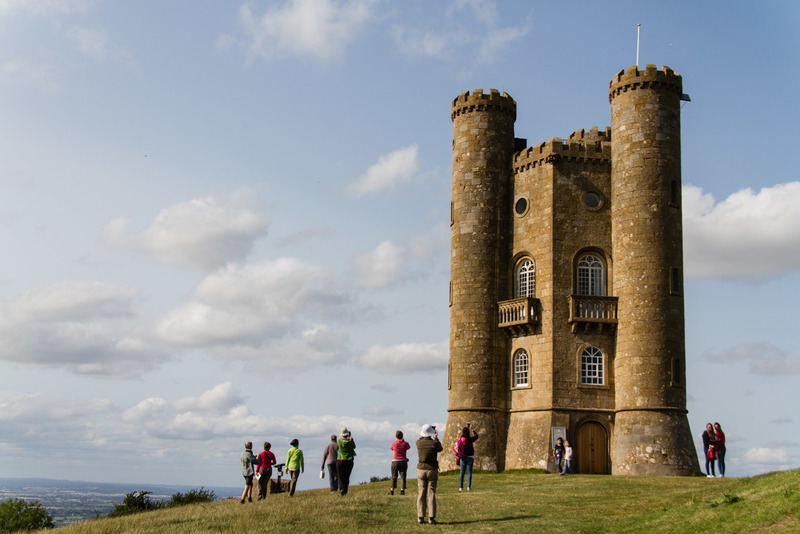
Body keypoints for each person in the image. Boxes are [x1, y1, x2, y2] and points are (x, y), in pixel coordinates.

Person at [416, 424, 443, 525]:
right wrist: (436, 438)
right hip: (432, 469)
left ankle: (420, 517)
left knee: (421, 493)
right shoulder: (434, 443)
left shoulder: (418, 443)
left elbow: (420, 438)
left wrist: (426, 431)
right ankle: (431, 517)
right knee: (431, 493)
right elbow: (440, 449)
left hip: (421, 469)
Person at [456, 423, 479, 491]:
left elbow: (462, 437)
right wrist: (472, 430)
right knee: (469, 472)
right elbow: (476, 436)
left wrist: (466, 429)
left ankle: (461, 487)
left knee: (462, 472)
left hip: (462, 457)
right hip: (470, 457)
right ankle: (468, 487)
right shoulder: (470, 439)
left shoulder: (461, 439)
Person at [389, 430, 411, 495]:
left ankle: (392, 490)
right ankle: (402, 490)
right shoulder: (405, 443)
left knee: (394, 476)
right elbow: (408, 447)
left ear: (396, 436)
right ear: (402, 436)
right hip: (403, 461)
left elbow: (391, 448)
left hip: (395, 461)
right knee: (403, 476)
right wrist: (403, 441)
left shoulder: (394, 443)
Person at [336, 427, 357, 495]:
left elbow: (338, 447)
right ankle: (345, 490)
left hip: (340, 460)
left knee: (340, 476)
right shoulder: (350, 441)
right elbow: (354, 446)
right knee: (347, 477)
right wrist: (351, 438)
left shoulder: (339, 441)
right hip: (349, 461)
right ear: (347, 434)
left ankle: (341, 489)